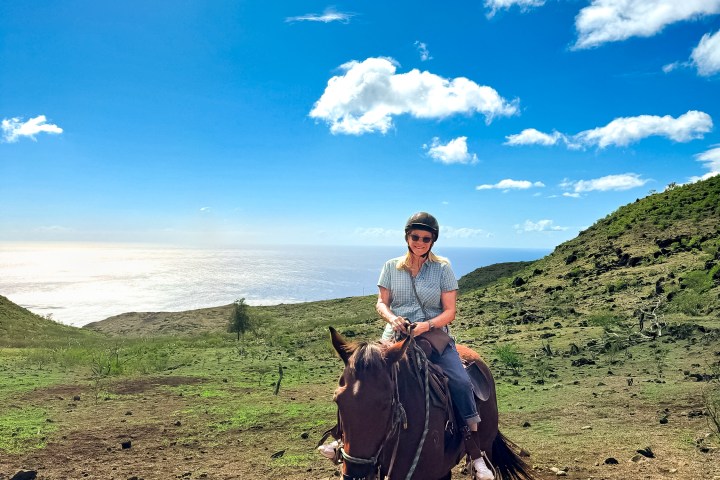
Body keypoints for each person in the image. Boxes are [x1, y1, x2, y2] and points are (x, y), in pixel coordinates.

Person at [375, 212, 494, 480]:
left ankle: (474, 451)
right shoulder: (390, 266)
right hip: (395, 336)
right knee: (362, 378)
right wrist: (394, 319)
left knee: (461, 382)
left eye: (425, 238)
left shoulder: (442, 269)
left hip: (434, 336)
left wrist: (425, 326)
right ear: (407, 237)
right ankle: (343, 438)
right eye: (415, 236)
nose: (419, 242)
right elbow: (381, 303)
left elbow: (450, 311)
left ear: (433, 240)